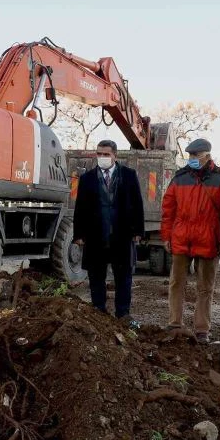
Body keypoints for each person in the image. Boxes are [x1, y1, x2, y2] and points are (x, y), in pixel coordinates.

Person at [161, 138, 220, 343]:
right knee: (176, 283)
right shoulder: (180, 177)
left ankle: (202, 329)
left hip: (209, 239)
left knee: (205, 287)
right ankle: (175, 324)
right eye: (190, 155)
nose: (192, 158)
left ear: (207, 155)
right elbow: (168, 209)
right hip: (182, 238)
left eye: (196, 155)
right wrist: (166, 235)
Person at [73, 139, 145, 326]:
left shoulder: (128, 176)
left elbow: (137, 203)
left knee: (124, 276)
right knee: (96, 276)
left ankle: (123, 314)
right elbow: (80, 207)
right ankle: (98, 311)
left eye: (106, 154)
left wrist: (138, 230)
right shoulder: (87, 178)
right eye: (99, 154)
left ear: (115, 155)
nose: (102, 157)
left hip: (122, 235)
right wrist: (79, 234)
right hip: (96, 235)